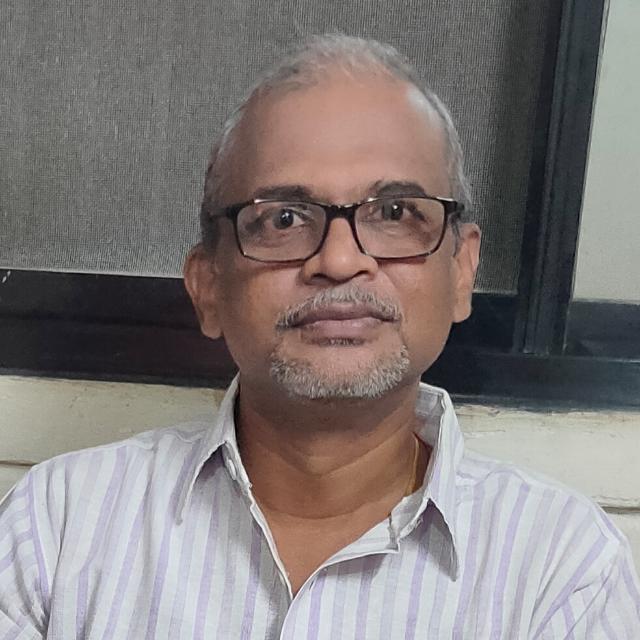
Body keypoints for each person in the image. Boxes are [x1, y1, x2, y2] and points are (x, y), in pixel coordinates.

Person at [1, 35, 639, 639]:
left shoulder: (562, 569)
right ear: (208, 285)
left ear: (462, 271)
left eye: (394, 213)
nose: (338, 260)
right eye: (283, 218)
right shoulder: (58, 528)